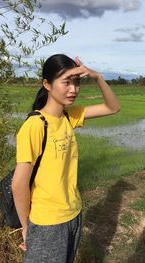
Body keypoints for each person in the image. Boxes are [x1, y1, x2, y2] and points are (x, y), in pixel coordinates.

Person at [11, 54, 121, 262]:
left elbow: (113, 107)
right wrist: (27, 228)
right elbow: (19, 184)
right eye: (67, 82)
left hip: (74, 215)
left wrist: (97, 77)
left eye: (77, 82)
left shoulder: (69, 116)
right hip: (47, 222)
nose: (74, 89)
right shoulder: (35, 125)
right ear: (47, 84)